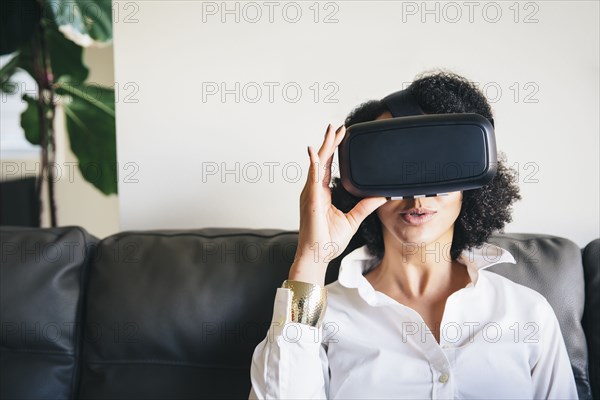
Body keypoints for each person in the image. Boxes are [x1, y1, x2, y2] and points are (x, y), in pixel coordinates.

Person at [249, 71, 578, 399]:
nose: (418, 195)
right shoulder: (325, 315)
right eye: (395, 163)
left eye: (439, 164)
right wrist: (311, 260)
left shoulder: (525, 312)